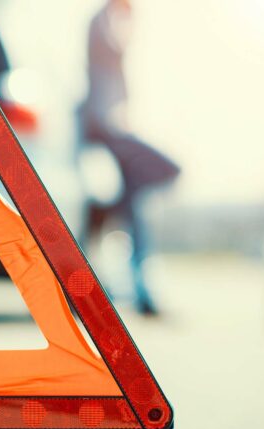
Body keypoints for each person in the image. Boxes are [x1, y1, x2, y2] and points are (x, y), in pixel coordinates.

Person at [81, 0, 180, 315]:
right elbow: (99, 48)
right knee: (165, 171)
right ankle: (110, 223)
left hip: (114, 128)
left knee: (133, 205)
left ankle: (135, 282)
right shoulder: (100, 25)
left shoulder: (111, 28)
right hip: (104, 129)